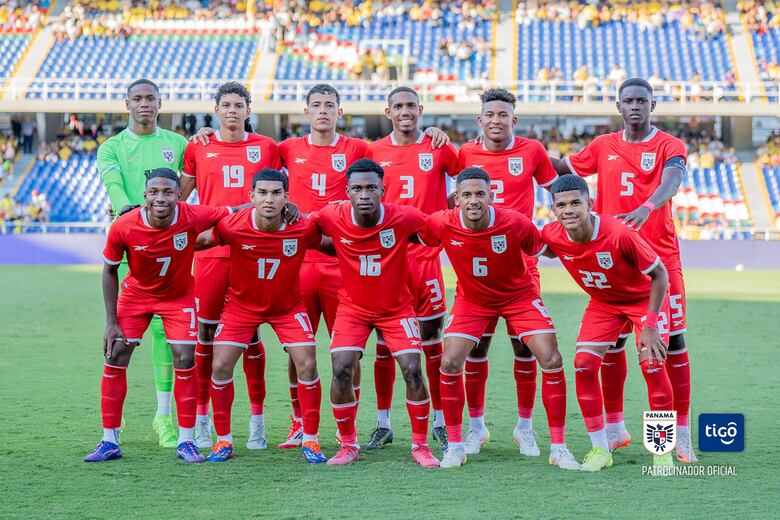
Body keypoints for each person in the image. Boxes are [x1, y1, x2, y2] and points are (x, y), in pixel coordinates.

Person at [551, 78, 695, 462]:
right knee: (610, 348)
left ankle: (678, 435)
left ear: (652, 105)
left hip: (659, 260)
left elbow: (673, 180)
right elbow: (562, 170)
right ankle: (614, 431)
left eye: (642, 101)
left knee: (670, 346)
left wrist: (648, 206)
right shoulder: (603, 146)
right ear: (619, 106)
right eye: (628, 100)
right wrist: (517, 150)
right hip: (614, 259)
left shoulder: (669, 145)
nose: (635, 106)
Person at [418, 168, 577, 470]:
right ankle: (457, 443)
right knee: (450, 361)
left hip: (519, 297)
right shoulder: (441, 223)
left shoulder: (515, 222)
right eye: (467, 195)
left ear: (492, 196)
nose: (474, 200)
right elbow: (412, 235)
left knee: (551, 358)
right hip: (473, 300)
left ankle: (554, 445)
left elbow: (548, 250)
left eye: (480, 194)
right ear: (457, 199)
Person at [84, 168, 235, 463]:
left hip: (179, 297)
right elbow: (109, 270)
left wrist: (280, 209)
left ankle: (186, 440)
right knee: (115, 355)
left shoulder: (193, 214)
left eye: (168, 192)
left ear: (179, 195)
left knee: (185, 358)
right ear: (145, 196)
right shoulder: (124, 226)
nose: (160, 198)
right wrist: (111, 322)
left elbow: (233, 211)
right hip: (136, 295)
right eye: (154, 192)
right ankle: (109, 440)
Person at [310, 158, 439, 468]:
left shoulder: (404, 217)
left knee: (412, 368)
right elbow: (307, 227)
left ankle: (420, 446)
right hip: (353, 309)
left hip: (396, 309)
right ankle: (349, 445)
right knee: (341, 367)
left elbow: (438, 230)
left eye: (371, 188)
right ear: (347, 191)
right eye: (357, 188)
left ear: (383, 189)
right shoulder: (332, 215)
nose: (364, 194)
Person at [541, 174, 675, 471]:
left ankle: (662, 451)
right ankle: (601, 449)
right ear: (553, 210)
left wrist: (650, 325)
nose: (569, 210)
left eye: (576, 203)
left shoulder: (618, 233)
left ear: (590, 204)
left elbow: (660, 275)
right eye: (561, 205)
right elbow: (525, 243)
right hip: (604, 304)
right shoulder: (552, 234)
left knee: (652, 366)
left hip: (643, 301)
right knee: (583, 364)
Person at [196, 169, 328, 464]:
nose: (269, 199)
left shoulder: (302, 228)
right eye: (263, 193)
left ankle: (311, 440)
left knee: (307, 364)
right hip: (241, 307)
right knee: (219, 365)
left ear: (286, 198)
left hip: (287, 308)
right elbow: (201, 241)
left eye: (276, 193)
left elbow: (331, 246)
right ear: (251, 196)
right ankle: (223, 441)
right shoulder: (233, 226)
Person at [456, 88, 558, 457]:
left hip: (520, 267)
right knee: (475, 348)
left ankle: (524, 427)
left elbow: (555, 193)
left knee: (524, 347)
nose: (496, 120)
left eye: (503, 114)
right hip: (475, 267)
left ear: (514, 120)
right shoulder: (464, 154)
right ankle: (477, 426)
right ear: (479, 120)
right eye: (490, 114)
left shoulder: (532, 152)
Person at [180, 81, 283, 451]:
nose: (233, 110)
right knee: (204, 339)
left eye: (239, 105)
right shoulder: (199, 146)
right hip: (209, 256)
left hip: (252, 255)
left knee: (251, 336)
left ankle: (257, 422)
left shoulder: (267, 148)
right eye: (226, 105)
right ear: (216, 109)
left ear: (248, 110)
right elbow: (181, 197)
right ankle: (203, 418)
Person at [363, 86, 459, 452]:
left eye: (411, 106)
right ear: (387, 111)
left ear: (421, 109)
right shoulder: (374, 151)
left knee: (433, 343)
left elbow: (470, 184)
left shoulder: (438, 147)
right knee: (385, 344)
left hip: (426, 262)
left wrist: (441, 215)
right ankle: (383, 423)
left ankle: (439, 421)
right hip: (388, 262)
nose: (405, 111)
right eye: (398, 106)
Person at [97, 79, 188, 447]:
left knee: (168, 332)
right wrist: (125, 211)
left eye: (151, 98)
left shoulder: (178, 144)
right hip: (130, 238)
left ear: (160, 103)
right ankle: (111, 433)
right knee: (122, 336)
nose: (144, 104)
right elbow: (113, 183)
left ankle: (163, 416)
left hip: (170, 241)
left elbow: (192, 181)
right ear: (127, 104)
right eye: (138, 99)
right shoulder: (112, 147)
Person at [277, 84, 369, 448]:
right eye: (316, 105)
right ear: (306, 112)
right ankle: (299, 422)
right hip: (298, 262)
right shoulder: (286, 149)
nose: (323, 111)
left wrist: (432, 133)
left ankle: (351, 423)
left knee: (347, 349)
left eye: (330, 105)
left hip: (342, 262)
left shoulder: (357, 149)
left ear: (340, 112)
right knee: (298, 347)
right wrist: (205, 131)